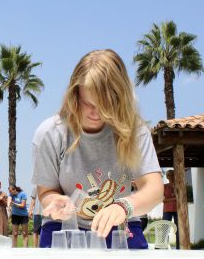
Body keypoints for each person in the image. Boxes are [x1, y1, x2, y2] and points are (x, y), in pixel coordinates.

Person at [31, 49, 163, 249]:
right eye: (88, 103)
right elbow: (47, 191)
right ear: (74, 94)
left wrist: (124, 205)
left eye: (106, 104)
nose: (96, 112)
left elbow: (154, 189)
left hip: (121, 225)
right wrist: (56, 200)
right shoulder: (50, 132)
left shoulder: (135, 130)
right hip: (63, 228)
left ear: (120, 98)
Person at [163, 169, 179, 249]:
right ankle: (163, 246)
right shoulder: (164, 186)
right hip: (167, 210)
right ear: (167, 177)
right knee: (165, 229)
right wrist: (174, 199)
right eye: (168, 175)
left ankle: (179, 247)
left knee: (178, 230)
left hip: (177, 210)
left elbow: (181, 197)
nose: (170, 177)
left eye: (172, 175)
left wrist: (175, 198)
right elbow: (163, 200)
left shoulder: (178, 185)